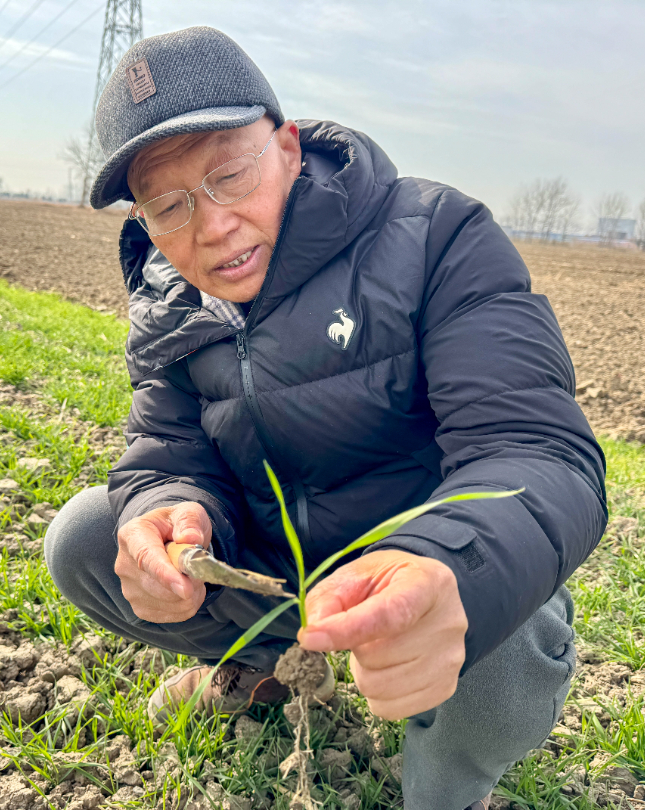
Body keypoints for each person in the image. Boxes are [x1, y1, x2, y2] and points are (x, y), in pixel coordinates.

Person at [45, 26, 607, 810]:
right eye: (169, 206)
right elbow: (167, 449)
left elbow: (538, 450)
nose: (211, 226)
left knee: (501, 624)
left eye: (229, 176)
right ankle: (265, 667)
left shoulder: (437, 236)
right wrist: (171, 511)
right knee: (86, 541)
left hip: (414, 565)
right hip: (276, 574)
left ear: (288, 147)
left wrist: (442, 568)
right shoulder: (171, 302)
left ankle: (447, 788)